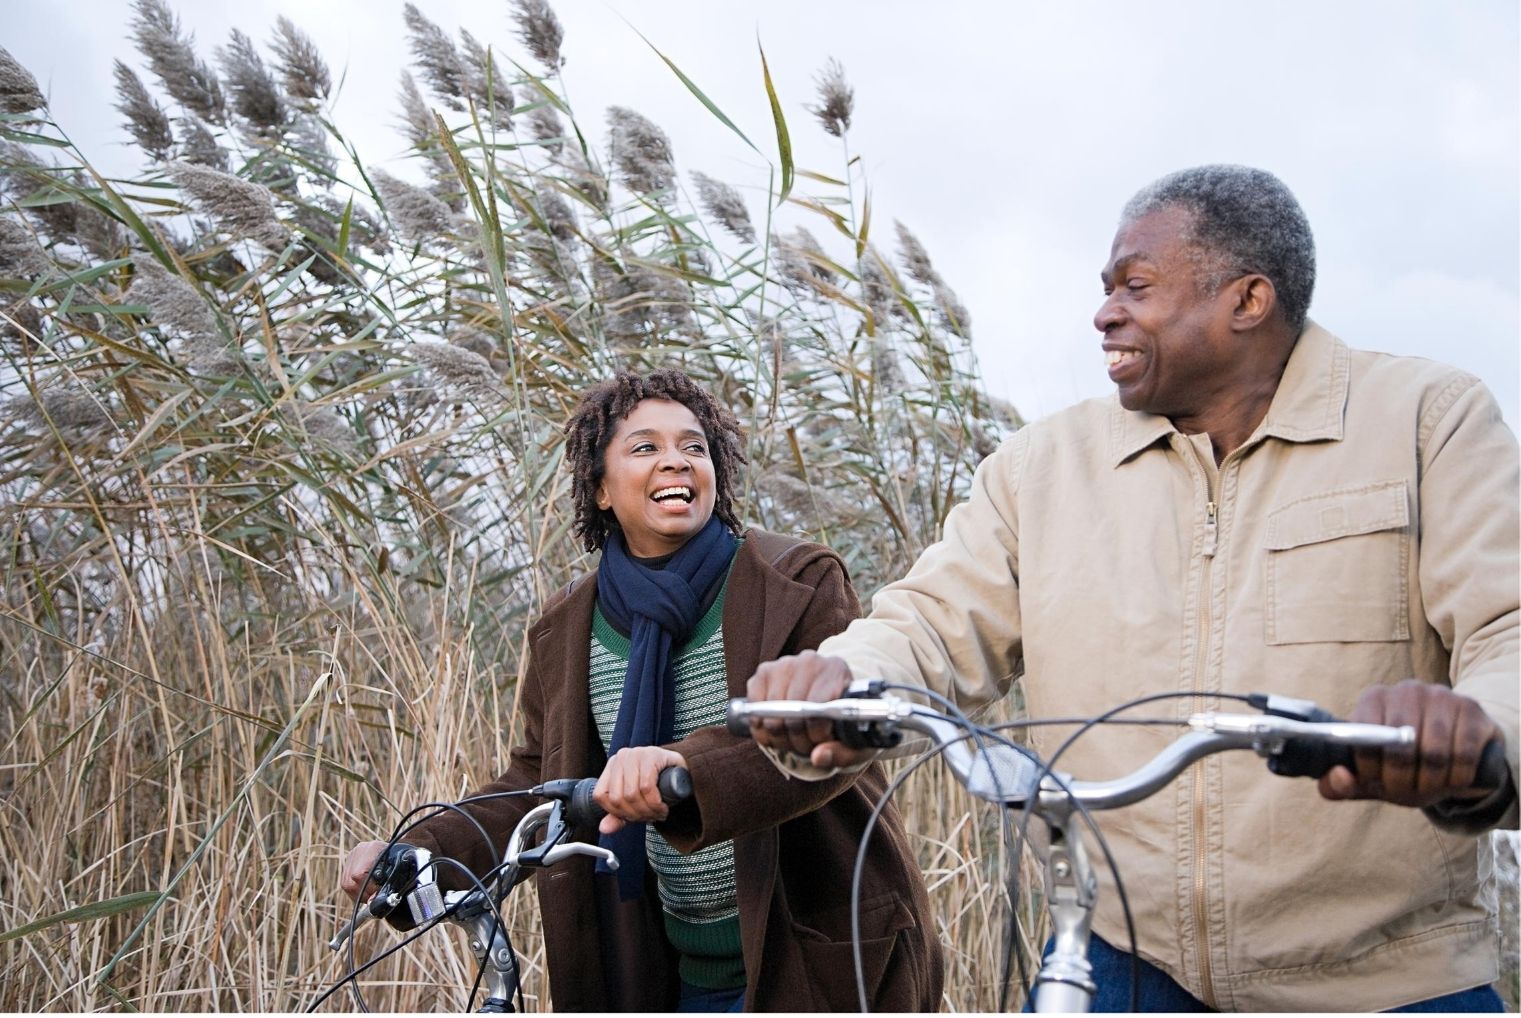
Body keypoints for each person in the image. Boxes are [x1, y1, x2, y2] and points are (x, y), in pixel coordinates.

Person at [744, 165, 1519, 1012]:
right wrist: (841, 680)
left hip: (1387, 981)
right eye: (1105, 289)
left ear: (1247, 300)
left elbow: (1507, 627)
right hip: (1116, 961)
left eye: (1135, 287)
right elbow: (928, 621)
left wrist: (1479, 740)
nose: (1104, 313)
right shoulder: (1043, 468)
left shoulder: (1424, 420)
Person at [339, 368, 943, 1012]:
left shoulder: (794, 581)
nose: (675, 462)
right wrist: (422, 848)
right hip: (667, 972)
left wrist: (683, 770)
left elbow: (827, 739)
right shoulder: (567, 625)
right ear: (600, 488)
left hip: (812, 957)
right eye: (646, 447)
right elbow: (537, 779)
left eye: (694, 447)